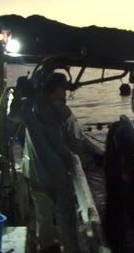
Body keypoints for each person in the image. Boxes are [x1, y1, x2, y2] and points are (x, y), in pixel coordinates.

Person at [21, 72, 83, 253]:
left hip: (35, 173)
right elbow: (67, 144)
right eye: (63, 89)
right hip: (56, 174)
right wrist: (75, 159)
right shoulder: (58, 111)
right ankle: (70, 249)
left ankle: (46, 246)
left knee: (43, 215)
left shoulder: (28, 106)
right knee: (65, 217)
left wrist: (19, 93)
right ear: (55, 89)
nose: (65, 93)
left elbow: (12, 114)